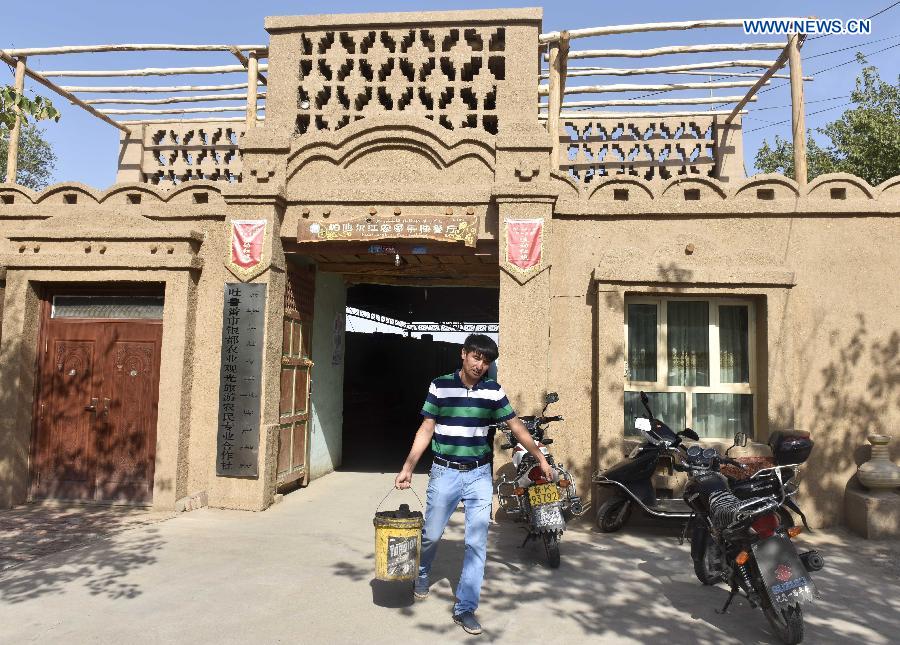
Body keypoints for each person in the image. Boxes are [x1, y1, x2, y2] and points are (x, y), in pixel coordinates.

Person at [394, 334, 552, 636]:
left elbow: (515, 425)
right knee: (430, 534)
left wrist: (539, 457)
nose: (481, 365)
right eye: (476, 357)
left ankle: (466, 608)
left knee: (476, 543)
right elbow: (427, 428)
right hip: (445, 472)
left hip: (479, 475)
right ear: (463, 354)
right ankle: (422, 572)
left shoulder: (493, 391)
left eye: (486, 361)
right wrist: (408, 467)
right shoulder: (439, 385)